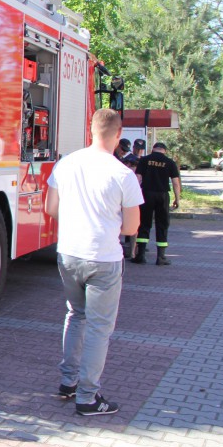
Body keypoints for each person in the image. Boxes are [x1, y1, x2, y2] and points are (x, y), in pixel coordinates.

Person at [45, 108, 143, 416]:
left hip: (69, 253)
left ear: (91, 129)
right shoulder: (123, 174)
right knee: (99, 328)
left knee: (75, 315)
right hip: (103, 258)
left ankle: (68, 382)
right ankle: (88, 398)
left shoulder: (66, 163)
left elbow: (51, 208)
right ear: (118, 134)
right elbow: (131, 228)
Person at [133, 142, 182, 265]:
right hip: (162, 195)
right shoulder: (169, 162)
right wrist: (177, 198)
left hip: (146, 194)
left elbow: (137, 178)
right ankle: (161, 257)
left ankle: (140, 255)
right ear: (165, 151)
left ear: (153, 149)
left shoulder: (144, 160)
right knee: (162, 224)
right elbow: (175, 182)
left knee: (144, 222)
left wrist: (134, 195)